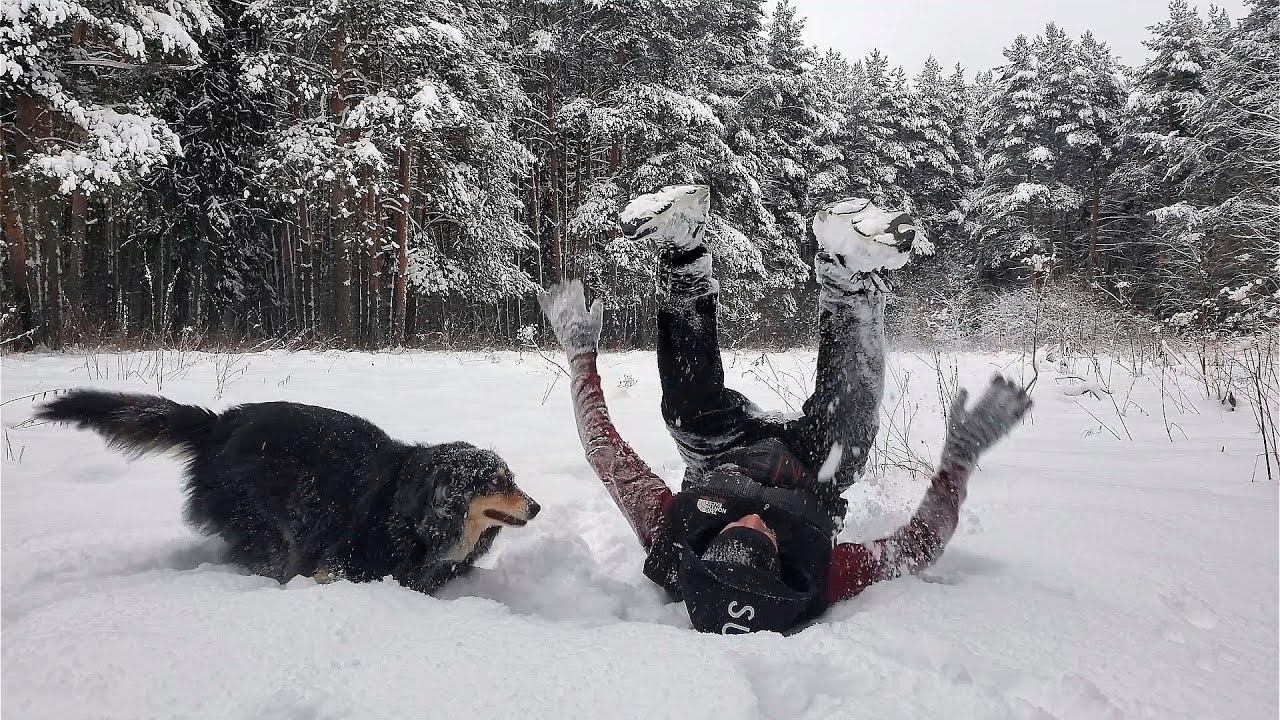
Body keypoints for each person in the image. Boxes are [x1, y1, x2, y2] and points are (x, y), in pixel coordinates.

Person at [538, 186, 1032, 634]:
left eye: (738, 530)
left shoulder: (672, 542)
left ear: (707, 547)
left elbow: (604, 452)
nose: (757, 520)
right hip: (812, 472)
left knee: (688, 415)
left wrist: (581, 354)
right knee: (847, 437)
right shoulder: (819, 577)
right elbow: (917, 547)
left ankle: (682, 253)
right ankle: (848, 279)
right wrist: (961, 458)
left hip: (724, 454)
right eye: (767, 539)